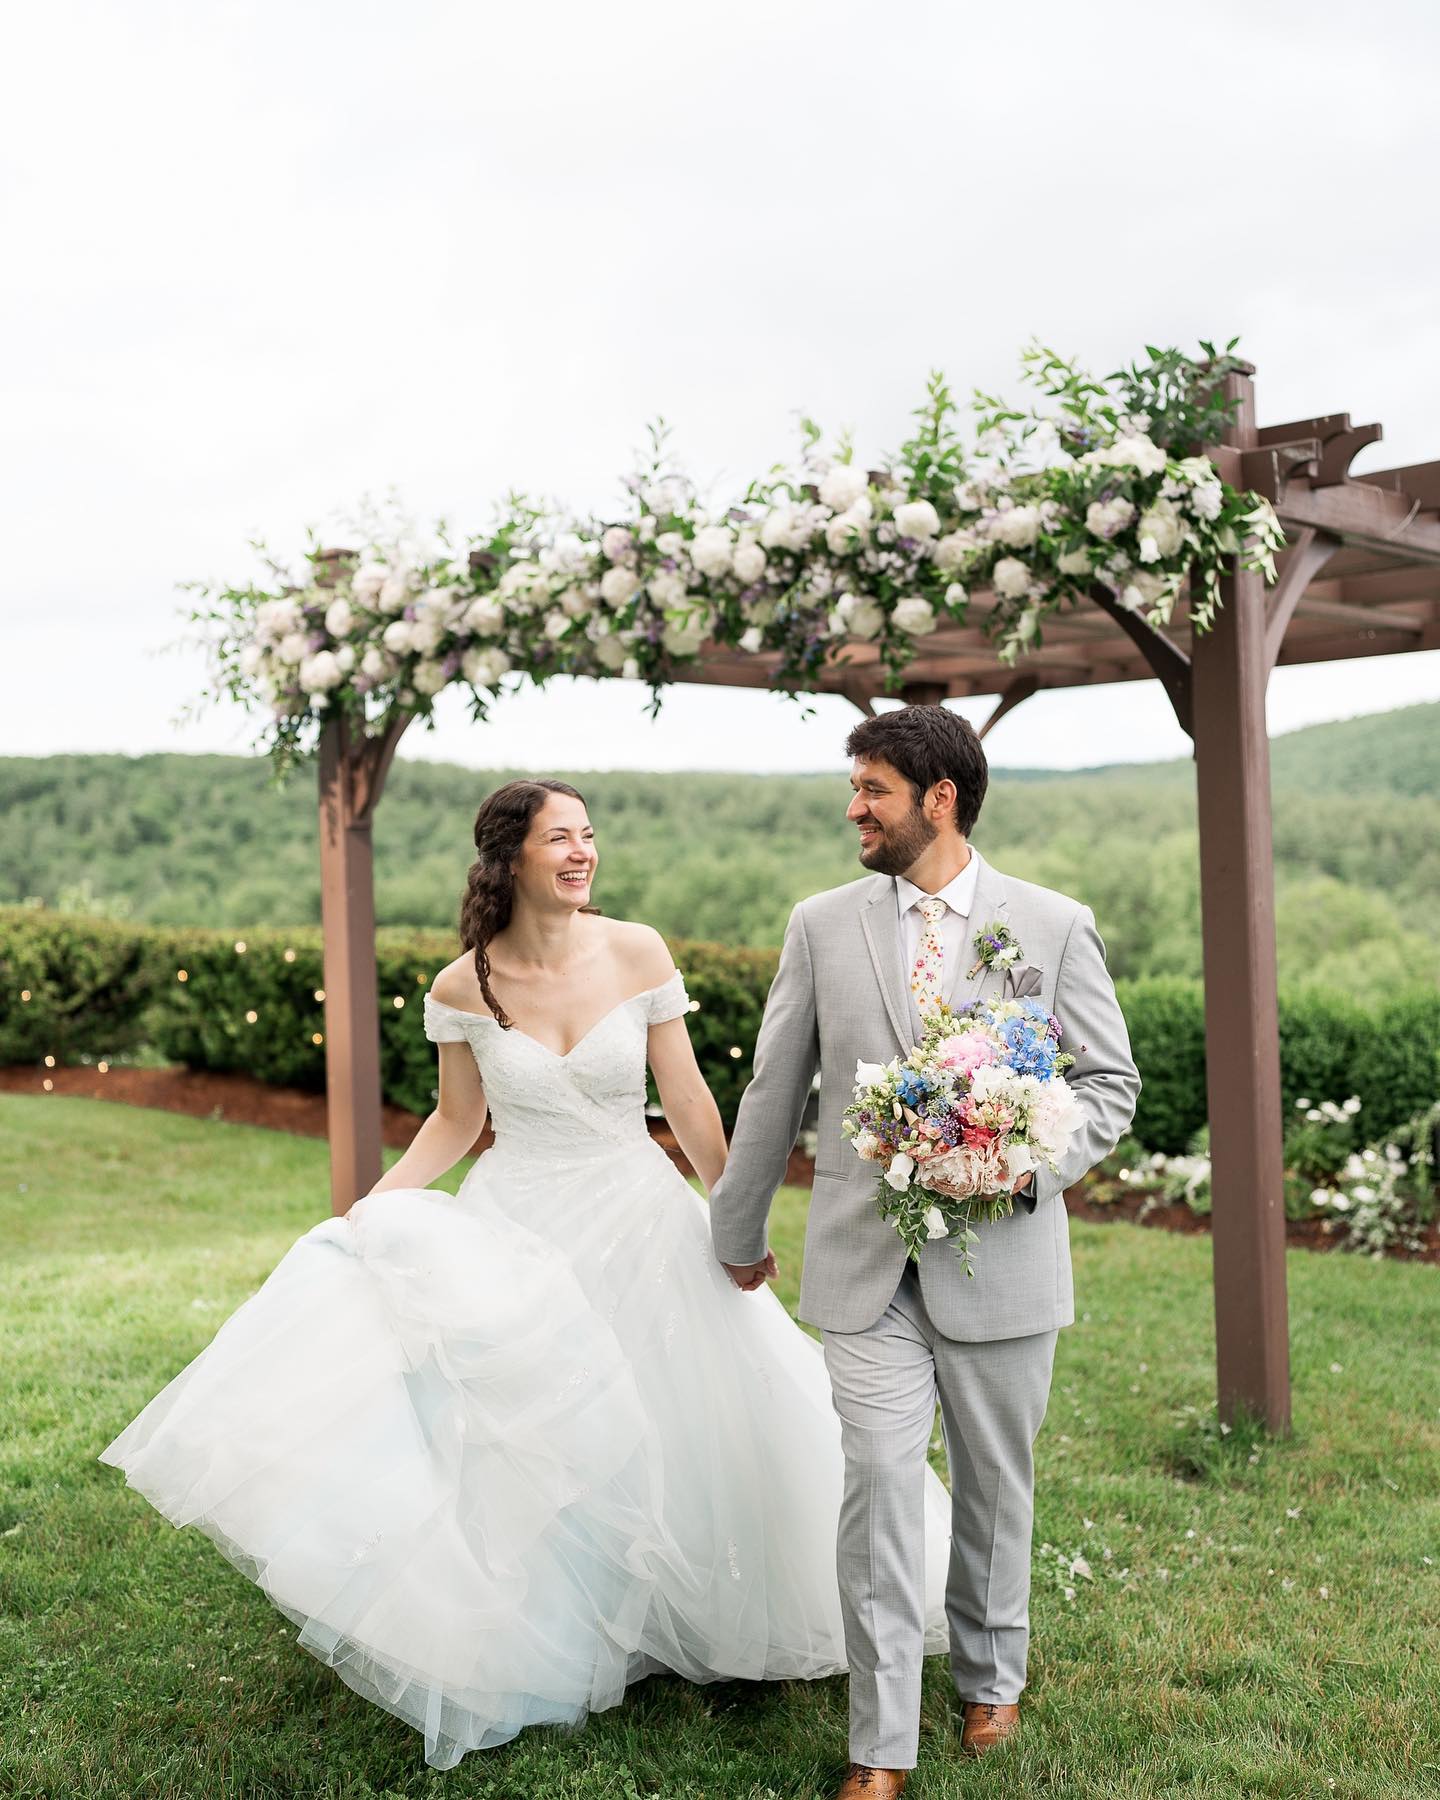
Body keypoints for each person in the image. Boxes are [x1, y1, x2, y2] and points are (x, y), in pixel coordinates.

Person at [99, 777, 955, 1771]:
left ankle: (700, 1606)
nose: (583, 851)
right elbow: (456, 1120)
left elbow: (687, 1101)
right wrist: (373, 1205)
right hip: (519, 1224)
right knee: (534, 1432)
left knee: (687, 1413)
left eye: (589, 834)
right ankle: (571, 1626)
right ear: (510, 859)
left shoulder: (636, 951)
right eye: (560, 838)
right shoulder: (463, 985)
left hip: (641, 1214)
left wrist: (736, 1217)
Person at [710, 705, 1140, 1800]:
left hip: (1005, 1259)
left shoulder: (1052, 925)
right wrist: (736, 1227)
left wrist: (1022, 1162)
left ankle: (991, 1675)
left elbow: (1109, 1084)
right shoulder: (821, 924)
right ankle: (881, 1741)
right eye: (854, 788)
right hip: (864, 1266)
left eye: (873, 791)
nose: (854, 808)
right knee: (879, 1481)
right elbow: (775, 1087)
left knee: (995, 1483)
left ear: (938, 799)